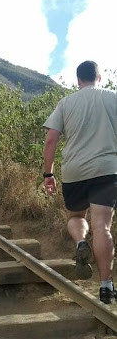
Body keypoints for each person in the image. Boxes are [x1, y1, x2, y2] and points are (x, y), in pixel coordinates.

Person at [43, 60, 117, 304]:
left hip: (74, 172)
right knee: (102, 227)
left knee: (75, 217)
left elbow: (51, 140)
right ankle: (106, 287)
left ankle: (81, 242)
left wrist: (48, 174)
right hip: (107, 170)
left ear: (78, 80)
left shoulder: (66, 103)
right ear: (99, 77)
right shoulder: (113, 97)